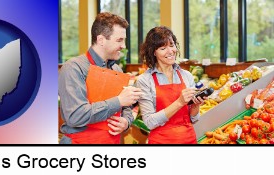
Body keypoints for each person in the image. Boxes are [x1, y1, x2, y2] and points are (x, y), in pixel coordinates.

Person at [58, 12, 142, 144]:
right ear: (101, 40)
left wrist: (126, 122)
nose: (124, 46)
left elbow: (126, 107)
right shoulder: (73, 68)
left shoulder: (116, 70)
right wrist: (118, 101)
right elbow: (75, 116)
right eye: (119, 40)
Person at [135, 26, 205, 144]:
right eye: (163, 48)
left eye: (172, 45)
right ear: (153, 52)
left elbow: (193, 118)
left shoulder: (186, 75)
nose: (170, 51)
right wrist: (179, 102)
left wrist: (195, 106)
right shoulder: (144, 80)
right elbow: (149, 122)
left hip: (189, 139)